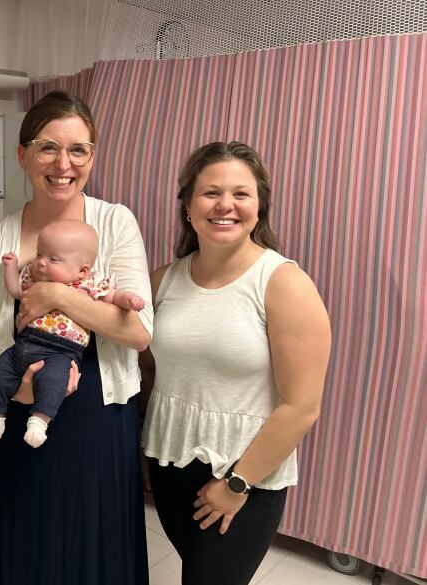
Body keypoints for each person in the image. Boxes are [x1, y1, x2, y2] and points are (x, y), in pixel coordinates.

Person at [0, 91, 153, 585]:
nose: (63, 164)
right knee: (33, 541)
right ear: (22, 154)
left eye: (78, 150)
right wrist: (18, 390)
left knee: (95, 541)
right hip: (21, 408)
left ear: (93, 155)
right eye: (47, 148)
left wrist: (57, 297)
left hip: (99, 413)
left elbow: (138, 334)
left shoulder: (114, 223)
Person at [139, 141, 331, 585]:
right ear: (187, 205)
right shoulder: (164, 279)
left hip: (244, 478)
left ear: (260, 206)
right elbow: (149, 369)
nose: (226, 205)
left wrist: (236, 483)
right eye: (211, 192)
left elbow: (302, 406)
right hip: (170, 462)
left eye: (241, 194)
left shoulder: (283, 283)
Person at [0, 219, 145, 451]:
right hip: (23, 345)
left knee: (53, 381)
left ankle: (39, 422)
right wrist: (11, 267)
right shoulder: (32, 278)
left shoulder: (87, 284)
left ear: (82, 269)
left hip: (61, 351)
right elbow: (14, 289)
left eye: (52, 259)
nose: (41, 263)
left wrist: (130, 300)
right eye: (39, 254)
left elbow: (114, 296)